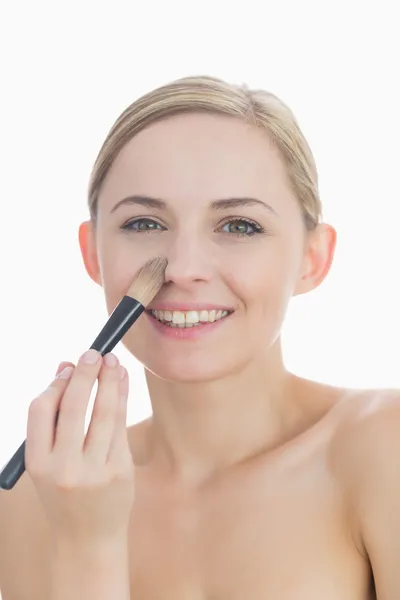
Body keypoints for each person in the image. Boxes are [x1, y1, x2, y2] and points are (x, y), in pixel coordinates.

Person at [0, 75, 398, 600]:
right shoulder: (38, 494)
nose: (183, 269)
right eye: (143, 223)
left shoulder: (383, 447)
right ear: (93, 253)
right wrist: (87, 546)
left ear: (313, 259)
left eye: (239, 226)